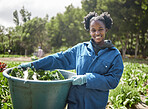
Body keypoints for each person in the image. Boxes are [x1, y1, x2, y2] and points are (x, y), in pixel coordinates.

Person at [19, 12, 124, 109]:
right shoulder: (80, 49)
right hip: (75, 102)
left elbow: (113, 81)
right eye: (93, 30)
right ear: (89, 30)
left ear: (106, 29)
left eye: (100, 29)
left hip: (95, 103)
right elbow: (59, 59)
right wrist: (34, 65)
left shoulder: (114, 55)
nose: (97, 33)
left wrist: (87, 78)